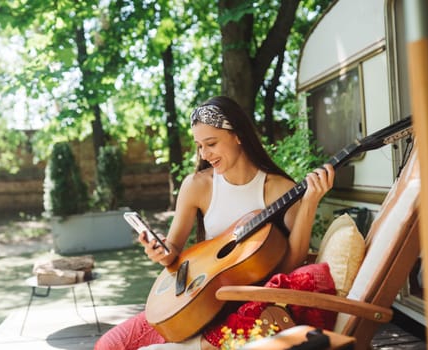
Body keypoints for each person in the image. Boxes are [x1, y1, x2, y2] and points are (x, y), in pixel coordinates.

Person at [94, 96, 335, 350]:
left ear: (238, 135)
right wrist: (161, 252)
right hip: (195, 300)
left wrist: (309, 203)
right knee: (108, 345)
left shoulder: (278, 189)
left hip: (244, 306)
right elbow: (173, 252)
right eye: (199, 145)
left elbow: (291, 263)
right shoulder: (197, 186)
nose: (204, 154)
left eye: (211, 143)